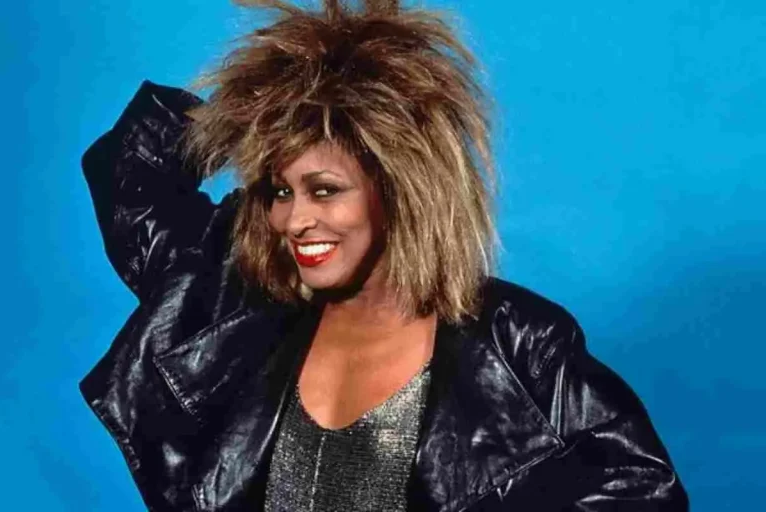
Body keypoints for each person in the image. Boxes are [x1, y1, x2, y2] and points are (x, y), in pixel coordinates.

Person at [79, 1, 688, 510]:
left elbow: (643, 491)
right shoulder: (232, 299)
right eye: (279, 191)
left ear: (397, 188)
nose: (294, 219)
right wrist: (252, 109)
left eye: (325, 190)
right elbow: (131, 177)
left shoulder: (517, 343)